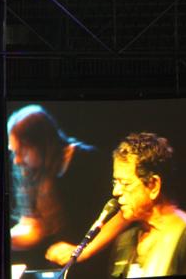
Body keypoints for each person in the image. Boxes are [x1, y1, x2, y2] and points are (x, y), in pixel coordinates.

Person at [7, 105, 112, 277]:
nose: (17, 160)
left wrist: (82, 250)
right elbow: (33, 228)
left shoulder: (89, 161)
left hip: (96, 264)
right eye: (14, 152)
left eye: (22, 151)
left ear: (41, 144)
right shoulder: (33, 171)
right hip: (63, 266)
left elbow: (118, 215)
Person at [109, 132, 186, 277]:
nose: (116, 191)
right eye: (115, 182)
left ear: (153, 185)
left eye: (126, 183)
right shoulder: (125, 242)